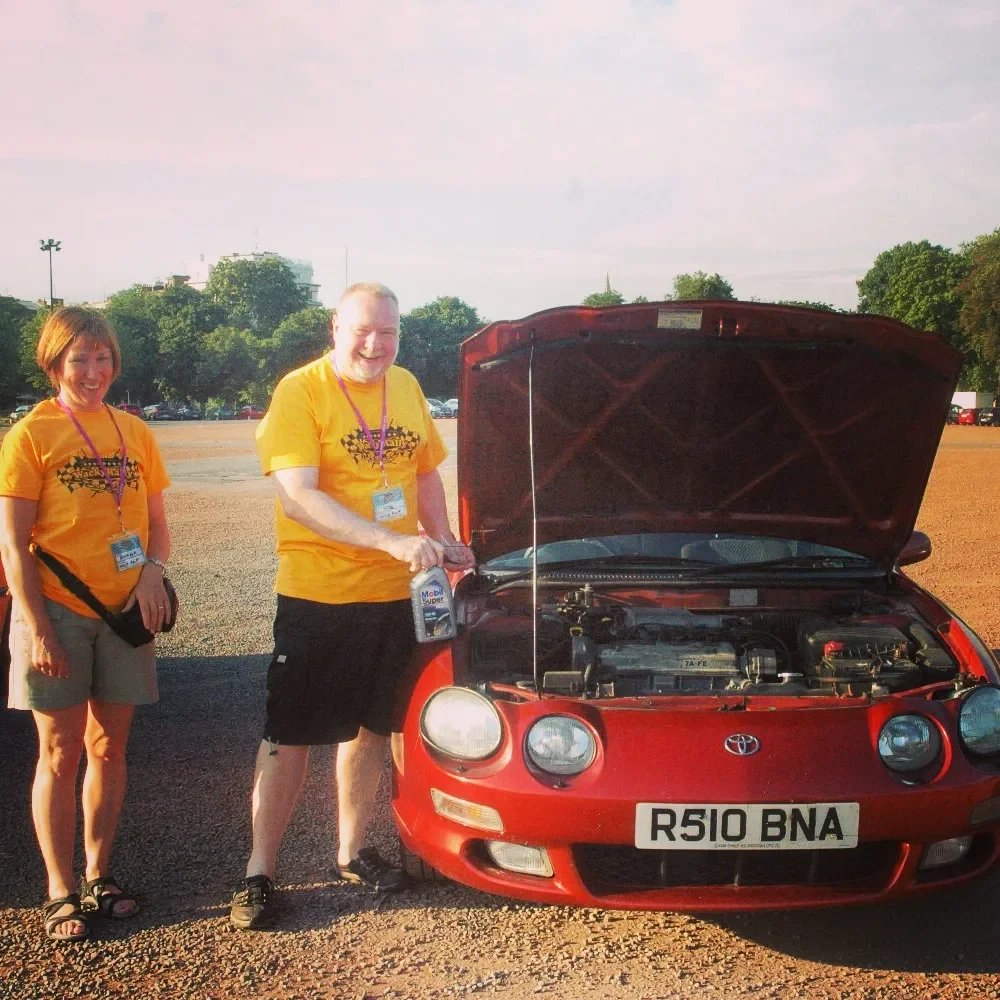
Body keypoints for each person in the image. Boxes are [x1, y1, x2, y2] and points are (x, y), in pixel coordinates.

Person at [229, 282, 473, 930]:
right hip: (321, 593)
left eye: (388, 333)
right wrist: (391, 541)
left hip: (396, 596)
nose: (376, 344)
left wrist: (443, 541)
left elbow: (423, 472)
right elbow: (297, 496)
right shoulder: (300, 392)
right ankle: (259, 872)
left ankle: (352, 851)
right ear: (336, 328)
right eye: (364, 330)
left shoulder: (407, 387)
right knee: (289, 738)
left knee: (373, 731)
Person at [0, 307, 172, 943]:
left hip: (126, 613)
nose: (93, 372)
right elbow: (15, 545)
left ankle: (99, 874)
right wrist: (38, 627)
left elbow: (158, 521)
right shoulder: (31, 435)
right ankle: (59, 888)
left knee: (109, 748)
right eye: (80, 360)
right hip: (58, 611)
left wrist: (153, 570)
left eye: (103, 359)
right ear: (54, 363)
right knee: (58, 750)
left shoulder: (133, 431)